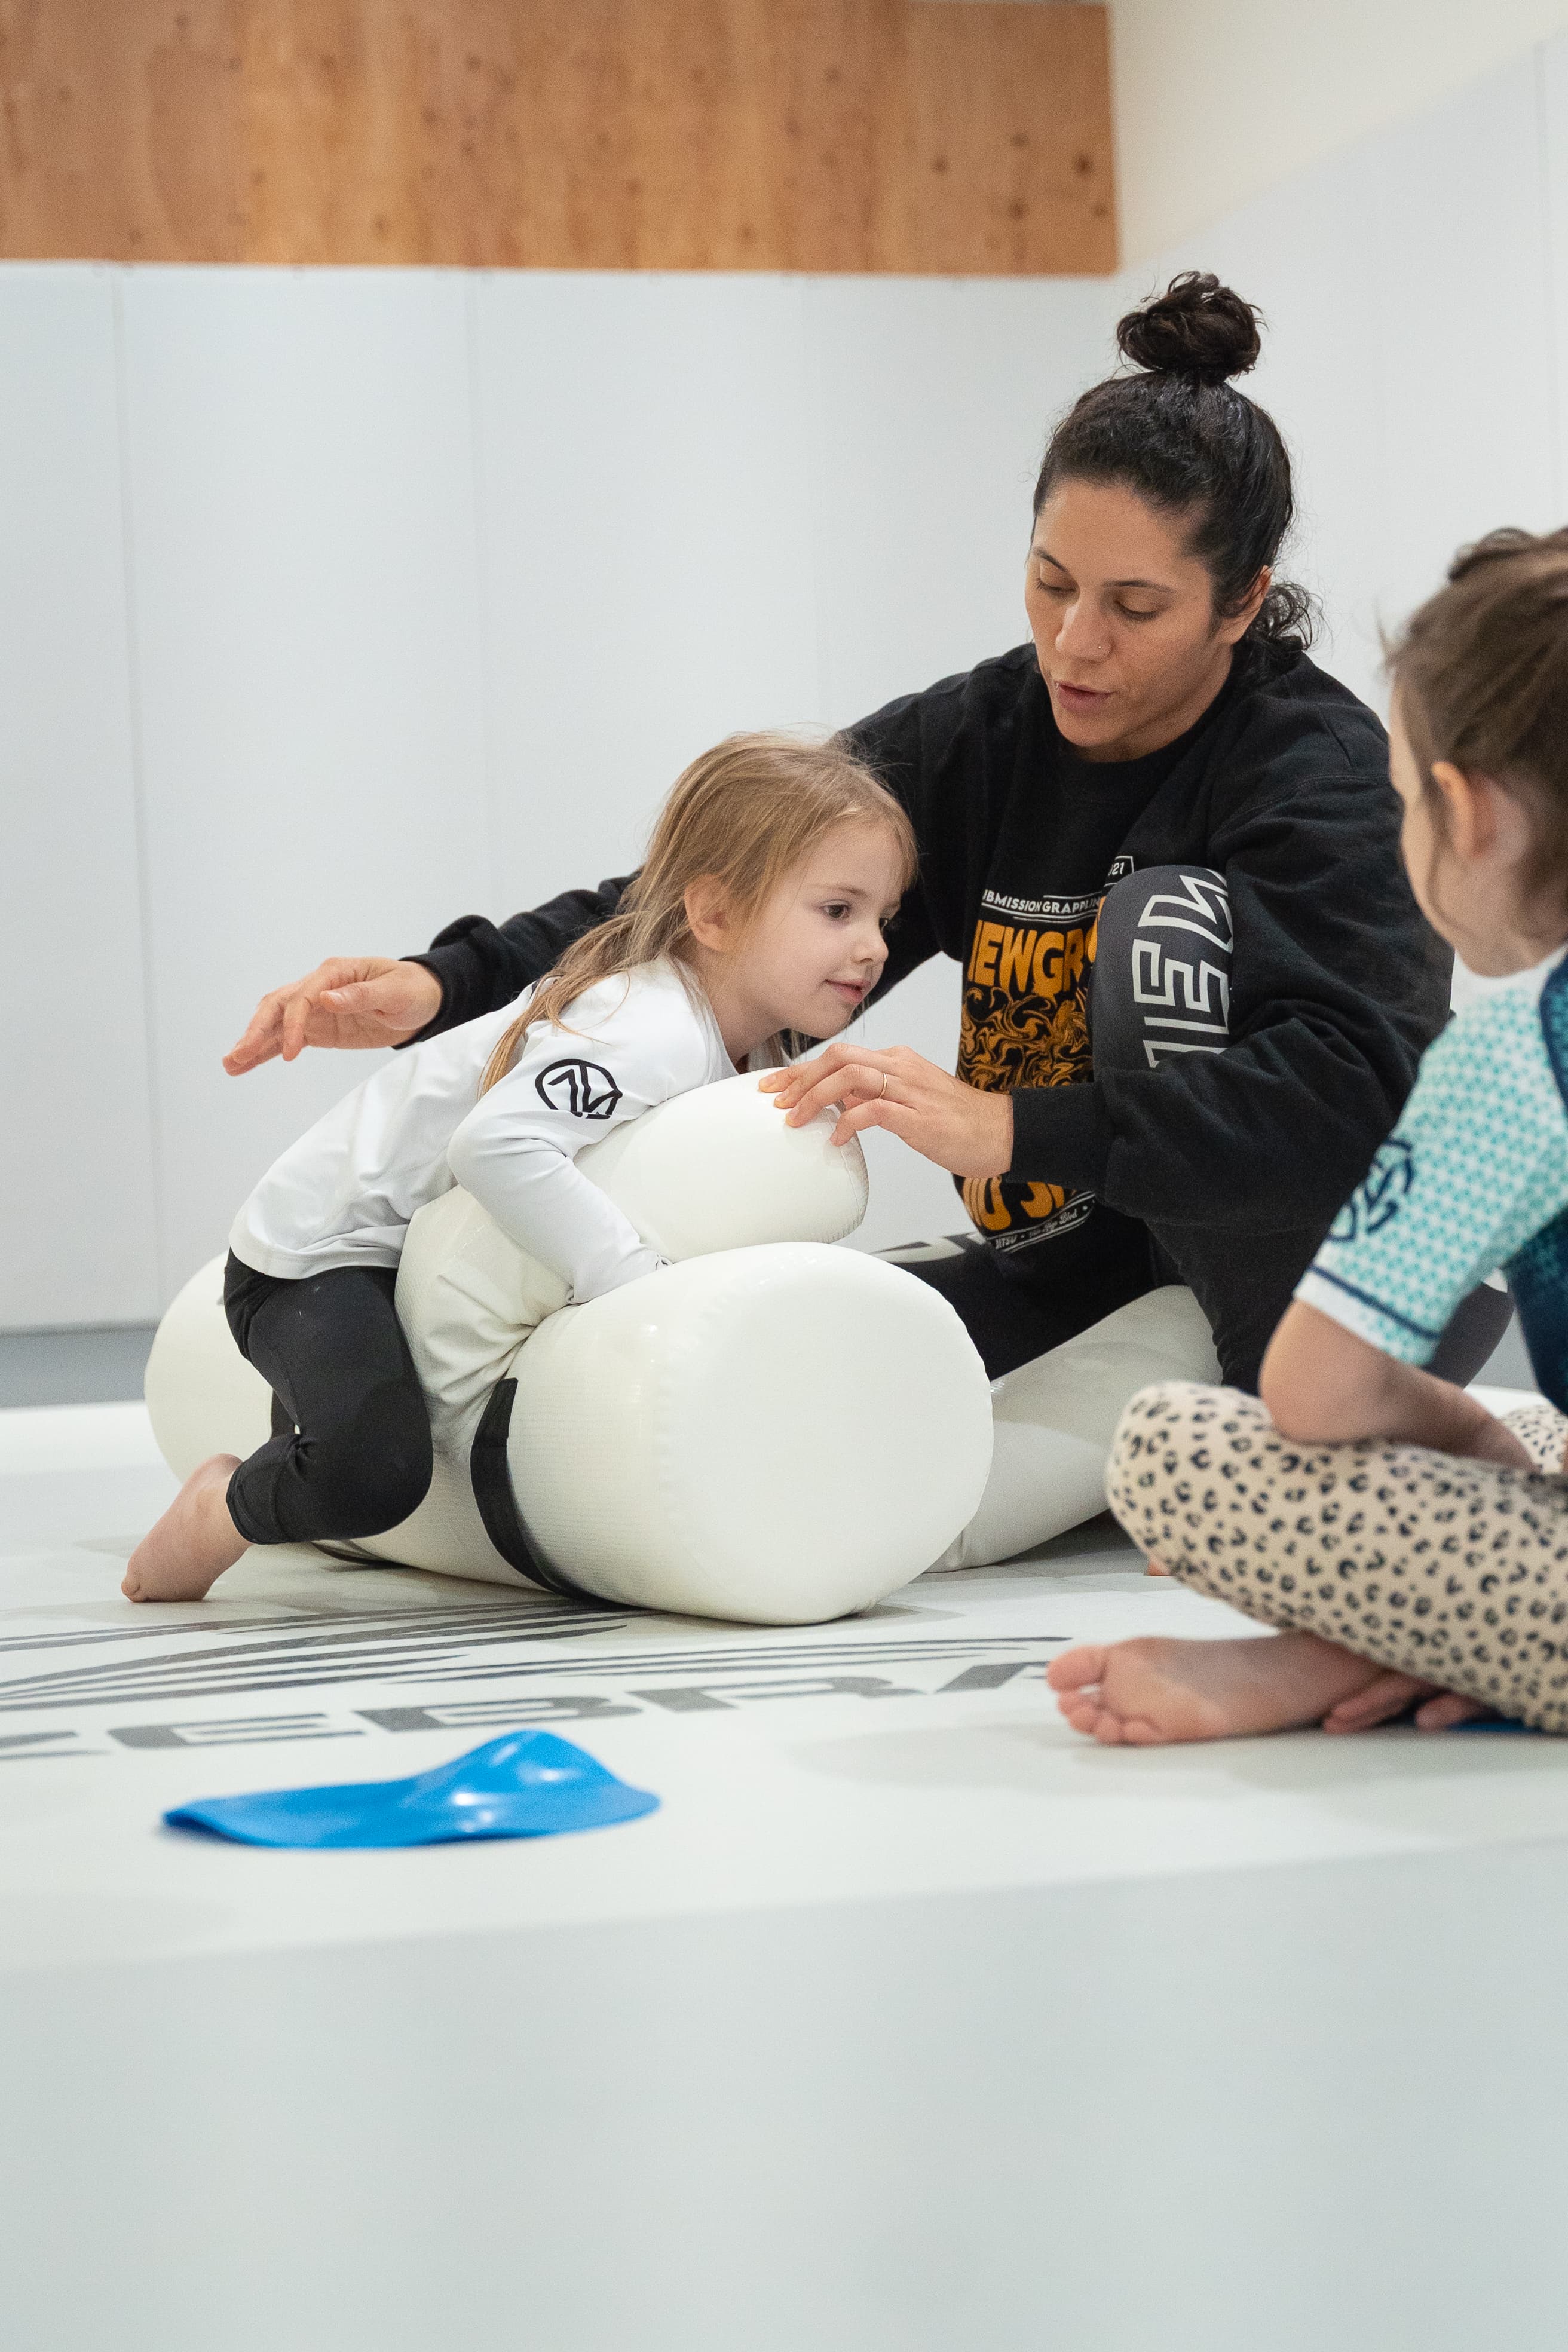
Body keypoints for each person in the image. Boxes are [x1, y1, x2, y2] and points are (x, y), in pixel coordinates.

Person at [222, 272, 1509, 1560]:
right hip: (1069, 1259)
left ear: (1241, 601)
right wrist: (449, 983)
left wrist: (1004, 1125)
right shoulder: (990, 734)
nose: (1075, 643)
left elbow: (1354, 1092)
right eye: (1050, 581)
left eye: (1134, 608)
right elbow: (721, 891)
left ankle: (1291, 1394)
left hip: (1313, 1277)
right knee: (759, 1405)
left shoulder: (1319, 778)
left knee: (1155, 936)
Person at [125, 734, 914, 1604]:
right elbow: (497, 1146)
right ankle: (222, 1505)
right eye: (837, 911)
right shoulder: (649, 1029)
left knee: (385, 1427)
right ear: (716, 915)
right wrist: (631, 1279)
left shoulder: (750, 1047)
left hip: (418, 1256)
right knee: (373, 1470)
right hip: (317, 1253)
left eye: (884, 916)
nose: (875, 948)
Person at [1049, 528, 1568, 1745]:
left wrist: (1466, 1438)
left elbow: (1316, 1392)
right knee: (1539, 1436)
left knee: (1176, 1449)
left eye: (1403, 806)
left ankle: (1354, 1652)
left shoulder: (1516, 1057)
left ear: (1465, 814)